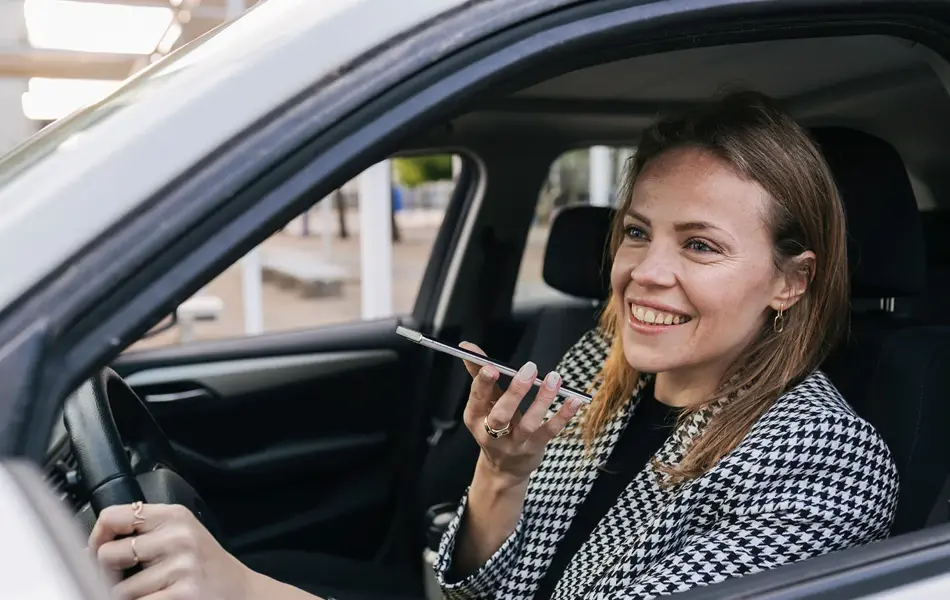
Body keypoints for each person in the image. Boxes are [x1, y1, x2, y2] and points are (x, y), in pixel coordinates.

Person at [87, 91, 899, 600]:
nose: (644, 274)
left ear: (791, 281)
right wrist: (501, 471)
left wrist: (245, 591)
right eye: (637, 233)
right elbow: (477, 590)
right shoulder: (598, 364)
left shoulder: (824, 463)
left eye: (701, 246)